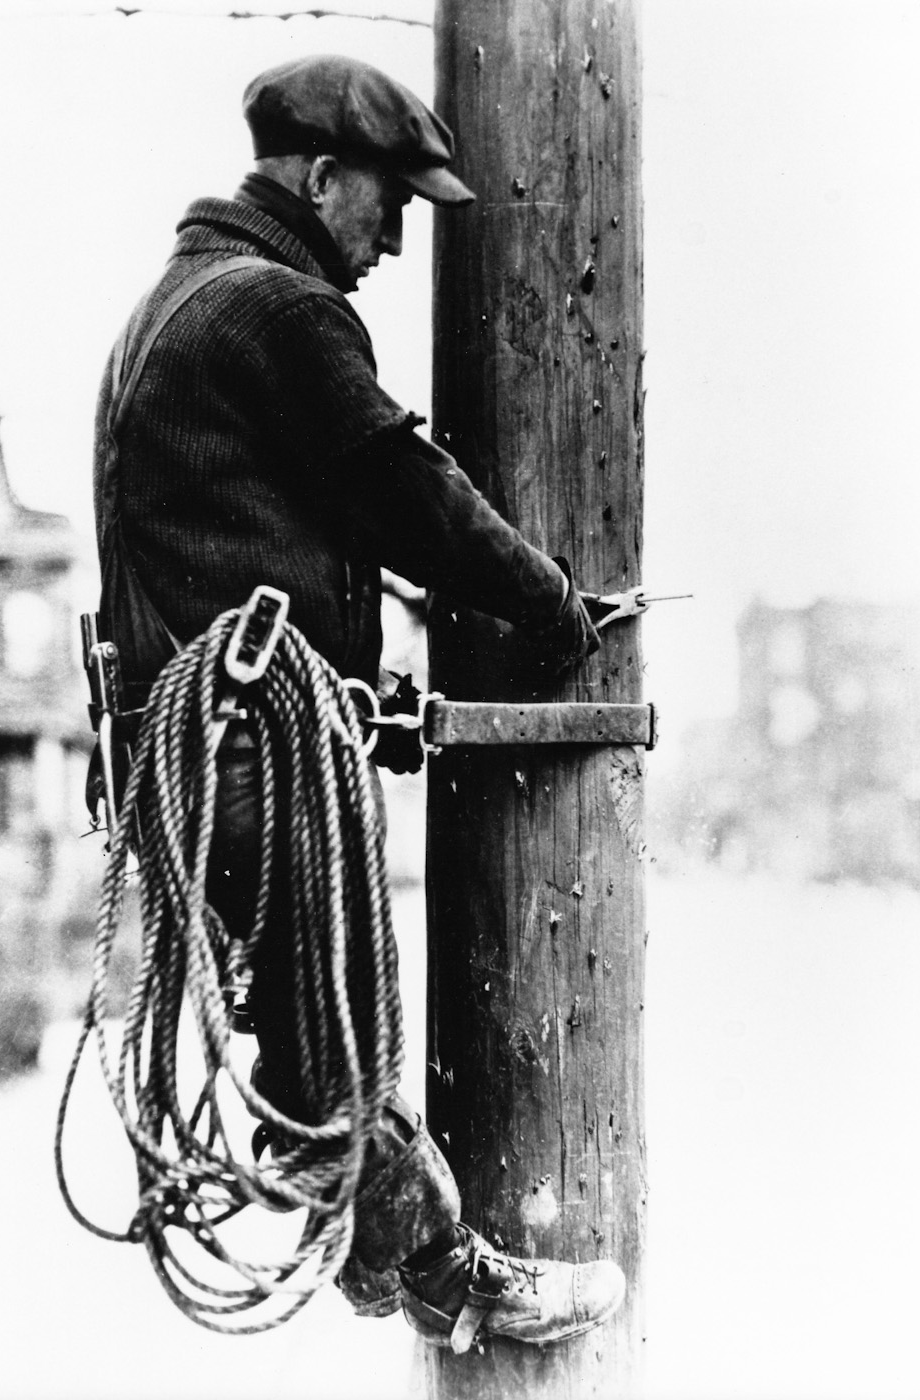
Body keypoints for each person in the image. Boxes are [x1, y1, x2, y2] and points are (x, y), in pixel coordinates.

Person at [93, 52, 625, 1354]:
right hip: (253, 757)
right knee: (326, 1024)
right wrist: (548, 601)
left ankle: (387, 1259)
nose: (392, 237)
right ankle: (442, 1273)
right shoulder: (280, 311)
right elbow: (406, 495)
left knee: (305, 1022)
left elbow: (259, 531)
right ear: (322, 176)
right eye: (386, 202)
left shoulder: (180, 306)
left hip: (201, 756)